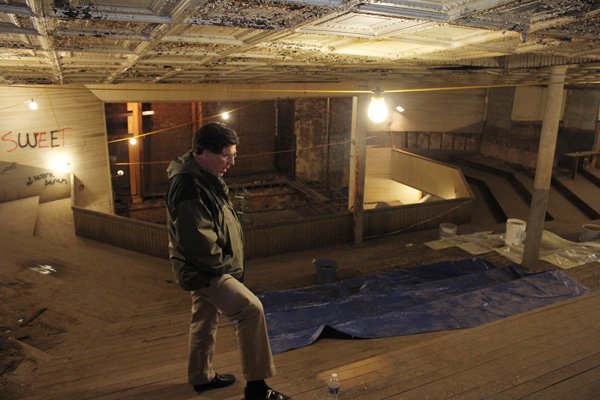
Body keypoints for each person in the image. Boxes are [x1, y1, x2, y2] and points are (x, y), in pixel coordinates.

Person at [166, 122, 291, 400]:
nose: (232, 162)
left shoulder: (201, 176)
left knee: (204, 319)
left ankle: (201, 376)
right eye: (226, 155)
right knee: (251, 310)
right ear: (202, 152)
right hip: (207, 269)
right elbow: (198, 240)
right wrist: (226, 268)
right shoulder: (189, 185)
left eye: (234, 155)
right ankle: (257, 388)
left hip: (201, 267)